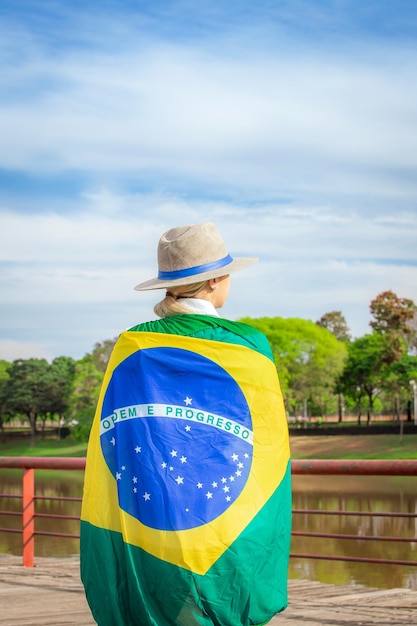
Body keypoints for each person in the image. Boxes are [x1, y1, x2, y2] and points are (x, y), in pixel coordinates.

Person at [80, 221, 292, 626]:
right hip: (223, 519)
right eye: (227, 273)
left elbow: (117, 435)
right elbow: (268, 445)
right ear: (213, 281)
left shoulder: (134, 345)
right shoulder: (250, 346)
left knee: (165, 604)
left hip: (151, 514)